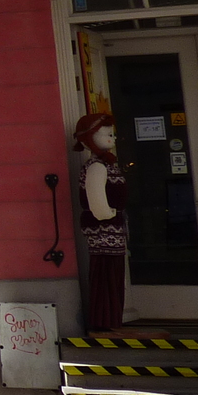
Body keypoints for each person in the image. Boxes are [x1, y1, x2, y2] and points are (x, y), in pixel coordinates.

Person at [74, 112, 126, 332]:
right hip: (103, 226)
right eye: (106, 134)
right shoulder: (97, 167)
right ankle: (103, 320)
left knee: (112, 272)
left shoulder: (107, 165)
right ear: (90, 137)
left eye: (112, 134)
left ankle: (111, 319)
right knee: (105, 272)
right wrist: (109, 212)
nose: (112, 138)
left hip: (112, 225)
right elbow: (97, 199)